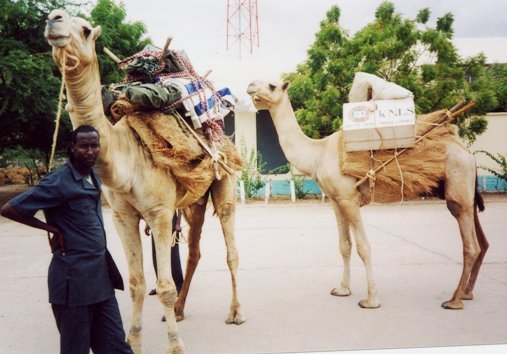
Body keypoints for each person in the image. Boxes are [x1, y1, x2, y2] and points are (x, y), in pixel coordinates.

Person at [0, 125, 133, 354]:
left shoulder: (93, 176)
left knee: (115, 346)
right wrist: (53, 229)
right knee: (75, 349)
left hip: (101, 278)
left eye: (94, 145)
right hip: (73, 282)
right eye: (84, 146)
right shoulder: (58, 181)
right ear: (73, 148)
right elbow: (10, 209)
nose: (90, 151)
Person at [144, 211, 184, 297]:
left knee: (173, 254)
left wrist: (178, 223)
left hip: (170, 218)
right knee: (156, 254)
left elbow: (180, 204)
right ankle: (161, 284)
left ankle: (179, 285)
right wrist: (147, 223)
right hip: (154, 219)